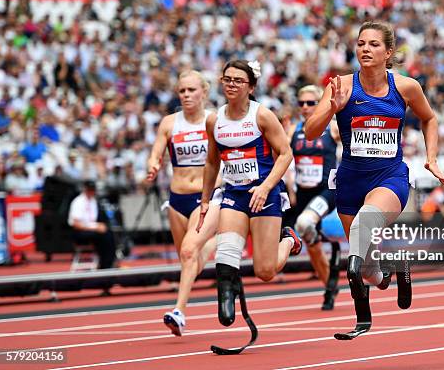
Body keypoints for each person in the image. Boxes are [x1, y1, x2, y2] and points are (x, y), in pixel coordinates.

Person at [305, 21, 444, 339]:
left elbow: (429, 118)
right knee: (370, 270)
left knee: (361, 228)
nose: (365, 49)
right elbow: (310, 132)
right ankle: (395, 268)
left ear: (388, 52)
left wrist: (432, 158)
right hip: (349, 181)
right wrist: (332, 109)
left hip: (390, 177)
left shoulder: (406, 87)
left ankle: (362, 319)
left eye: (373, 44)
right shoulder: (340, 86)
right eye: (360, 43)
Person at [198, 60, 301, 353]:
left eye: (238, 80)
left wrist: (266, 186)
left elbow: (285, 154)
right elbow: (211, 161)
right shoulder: (213, 120)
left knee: (265, 271)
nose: (231, 84)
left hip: (264, 194)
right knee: (226, 248)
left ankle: (289, 240)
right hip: (234, 193)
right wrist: (205, 200)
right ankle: (225, 299)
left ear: (251, 87)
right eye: (227, 79)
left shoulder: (262, 116)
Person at [146, 70, 220, 337]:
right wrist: (153, 166)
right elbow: (155, 153)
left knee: (189, 252)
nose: (187, 95)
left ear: (204, 92)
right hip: (177, 199)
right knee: (189, 259)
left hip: (206, 198)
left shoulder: (214, 121)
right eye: (182, 91)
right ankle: (217, 243)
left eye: (192, 90)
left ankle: (178, 311)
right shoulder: (169, 123)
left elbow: (226, 156)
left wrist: (219, 182)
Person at [286, 85, 342, 310]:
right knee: (311, 242)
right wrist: (290, 190)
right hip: (303, 193)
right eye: (302, 104)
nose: (306, 107)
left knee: (304, 224)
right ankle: (330, 284)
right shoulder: (292, 130)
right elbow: (282, 159)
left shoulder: (333, 129)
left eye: (311, 103)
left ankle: (339, 274)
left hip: (326, 191)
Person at [67, 180, 116, 270]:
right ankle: (105, 265)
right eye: (90, 189)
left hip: (90, 230)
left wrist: (99, 226)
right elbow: (76, 224)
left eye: (93, 190)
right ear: (85, 189)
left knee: (109, 233)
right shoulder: (78, 202)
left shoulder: (93, 201)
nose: (92, 192)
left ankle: (109, 263)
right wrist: (95, 228)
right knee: (103, 235)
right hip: (79, 232)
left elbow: (93, 220)